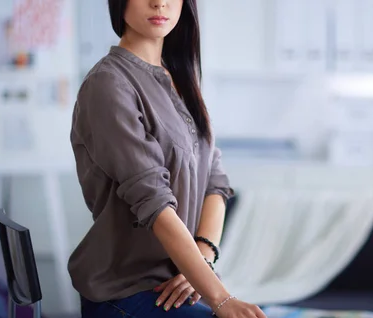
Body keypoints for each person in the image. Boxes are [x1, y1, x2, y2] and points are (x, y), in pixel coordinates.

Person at [69, 0, 267, 317]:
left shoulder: (179, 77)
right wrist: (221, 298)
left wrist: (203, 260)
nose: (159, 2)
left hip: (185, 281)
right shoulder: (108, 84)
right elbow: (154, 203)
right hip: (129, 290)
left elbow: (215, 182)